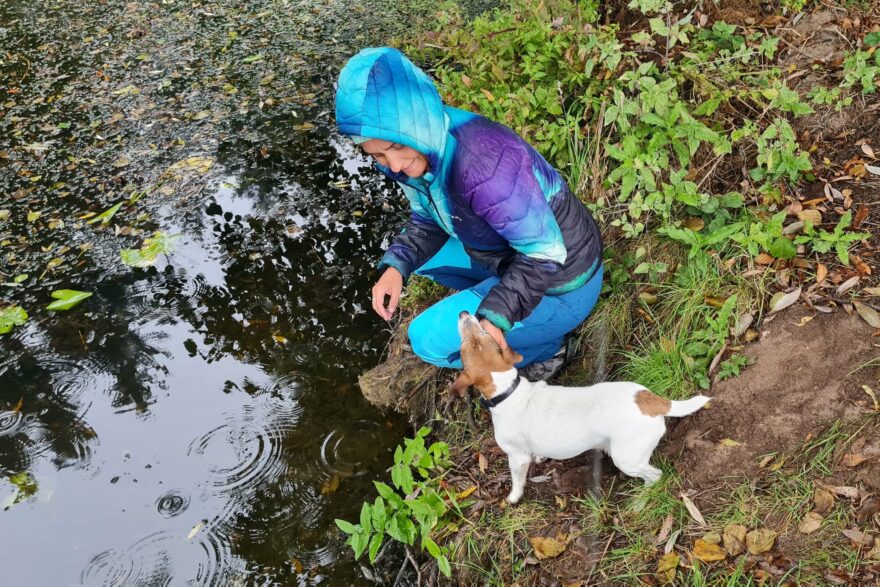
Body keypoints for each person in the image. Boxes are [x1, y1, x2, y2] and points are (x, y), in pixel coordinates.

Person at [335, 47, 603, 381]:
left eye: (397, 147)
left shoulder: (484, 165)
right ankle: (506, 303)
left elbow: (545, 253)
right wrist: (397, 265)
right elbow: (427, 220)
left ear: (416, 123)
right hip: (505, 253)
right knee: (422, 262)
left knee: (427, 341)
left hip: (563, 283)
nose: (395, 166)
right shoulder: (422, 152)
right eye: (378, 156)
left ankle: (549, 348)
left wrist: (497, 315)